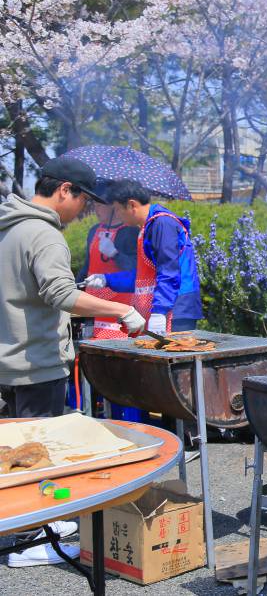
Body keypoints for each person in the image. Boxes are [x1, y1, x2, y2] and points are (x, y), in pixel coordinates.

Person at [0, 157, 146, 567]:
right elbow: (60, 293)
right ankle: (28, 543)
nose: (83, 210)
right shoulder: (44, 234)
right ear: (64, 189)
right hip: (35, 364)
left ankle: (15, 525)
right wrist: (120, 312)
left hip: (4, 361)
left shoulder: (7, 226)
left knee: (7, 454)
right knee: (35, 455)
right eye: (82, 200)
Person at [85, 179, 202, 334]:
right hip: (161, 305)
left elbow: (169, 272)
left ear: (132, 205)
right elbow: (142, 277)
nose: (118, 215)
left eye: (119, 209)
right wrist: (107, 280)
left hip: (176, 308)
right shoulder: (145, 227)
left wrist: (159, 312)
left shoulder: (162, 223)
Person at [76, 182, 139, 339]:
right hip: (92, 302)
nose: (96, 209)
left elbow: (134, 269)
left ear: (113, 206)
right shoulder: (94, 231)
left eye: (100, 205)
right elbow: (87, 266)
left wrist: (115, 253)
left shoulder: (130, 231)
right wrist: (74, 289)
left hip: (117, 305)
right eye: (94, 204)